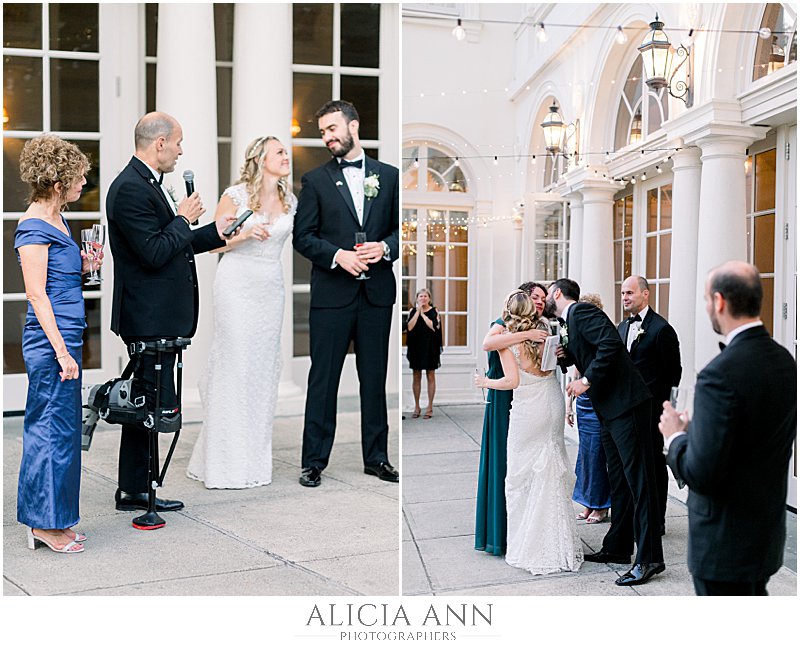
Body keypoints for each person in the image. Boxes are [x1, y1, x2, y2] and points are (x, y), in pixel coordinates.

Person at [106, 112, 236, 511]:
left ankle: (134, 488)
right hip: (147, 317)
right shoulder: (129, 188)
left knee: (144, 404)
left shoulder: (147, 183)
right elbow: (154, 252)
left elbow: (172, 241)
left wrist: (214, 231)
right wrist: (182, 217)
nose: (181, 150)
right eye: (178, 142)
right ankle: (137, 491)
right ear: (159, 143)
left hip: (157, 316)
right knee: (147, 407)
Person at [660, 261, 796, 596]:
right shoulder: (784, 360)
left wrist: (675, 436)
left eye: (707, 299)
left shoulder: (718, 375)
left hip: (723, 544)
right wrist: (703, 429)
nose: (707, 306)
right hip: (765, 536)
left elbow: (701, 473)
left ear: (719, 301)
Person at [293, 100, 399, 487]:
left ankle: (377, 458)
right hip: (331, 296)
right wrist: (338, 256)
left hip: (376, 295)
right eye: (323, 131)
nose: (327, 137)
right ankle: (313, 461)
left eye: (332, 128)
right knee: (323, 380)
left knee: (374, 379)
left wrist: (384, 248)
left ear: (353, 126)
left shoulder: (390, 176)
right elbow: (303, 237)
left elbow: (400, 230)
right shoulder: (315, 181)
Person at [186, 136, 295, 488]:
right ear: (261, 159)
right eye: (279, 152)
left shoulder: (290, 199)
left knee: (262, 369)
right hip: (237, 284)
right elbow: (213, 244)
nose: (286, 156)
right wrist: (246, 235)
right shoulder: (235, 196)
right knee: (234, 366)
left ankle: (253, 461)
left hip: (270, 289)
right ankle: (224, 462)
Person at [547, 278, 664, 586]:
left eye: (547, 294)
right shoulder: (569, 320)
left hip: (627, 405)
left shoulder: (582, 311)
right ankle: (618, 547)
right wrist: (566, 356)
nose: (545, 299)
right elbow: (590, 351)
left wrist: (586, 381)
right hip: (610, 409)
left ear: (557, 293)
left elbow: (610, 345)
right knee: (619, 480)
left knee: (640, 481)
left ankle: (650, 558)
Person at [15, 135, 95, 553]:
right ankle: (42, 525)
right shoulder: (33, 227)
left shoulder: (59, 218)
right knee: (47, 429)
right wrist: (61, 351)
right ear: (58, 182)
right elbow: (36, 294)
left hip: (68, 334)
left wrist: (84, 264)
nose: (84, 182)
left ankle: (58, 518)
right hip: (50, 341)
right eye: (79, 177)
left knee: (63, 430)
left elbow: (58, 277)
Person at [474, 291, 583, 575]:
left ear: (508, 311)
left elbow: (511, 381)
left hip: (529, 409)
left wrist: (485, 382)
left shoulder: (507, 343)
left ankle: (529, 545)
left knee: (519, 477)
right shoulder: (544, 333)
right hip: (552, 401)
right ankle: (558, 543)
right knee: (551, 469)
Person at [474, 282, 548, 556]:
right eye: (535, 297)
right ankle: (499, 532)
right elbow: (487, 343)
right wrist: (526, 334)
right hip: (503, 396)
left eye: (543, 298)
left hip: (527, 396)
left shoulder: (540, 326)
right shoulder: (502, 323)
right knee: (502, 461)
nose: (540, 301)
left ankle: (525, 528)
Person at [618, 275, 681, 535]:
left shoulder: (662, 329)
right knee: (631, 465)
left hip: (652, 411)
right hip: (626, 411)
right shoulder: (622, 326)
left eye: (630, 293)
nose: (625, 297)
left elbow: (673, 374)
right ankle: (636, 517)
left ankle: (657, 521)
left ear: (645, 294)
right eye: (623, 293)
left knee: (654, 465)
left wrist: (659, 407)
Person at [567, 293, 611, 525]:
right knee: (585, 454)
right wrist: (569, 407)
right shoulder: (580, 338)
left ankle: (601, 505)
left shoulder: (600, 339)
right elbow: (574, 374)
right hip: (582, 403)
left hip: (596, 402)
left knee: (596, 454)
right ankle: (587, 502)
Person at [405, 287, 442, 419]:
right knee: (416, 375)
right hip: (416, 347)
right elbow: (410, 327)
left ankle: (430, 407)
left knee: (430, 375)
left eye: (425, 296)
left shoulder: (434, 311)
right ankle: (417, 406)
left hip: (430, 347)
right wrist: (418, 312)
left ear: (429, 299)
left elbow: (433, 326)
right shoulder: (412, 311)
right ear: (417, 299)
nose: (423, 298)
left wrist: (423, 315)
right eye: (421, 296)